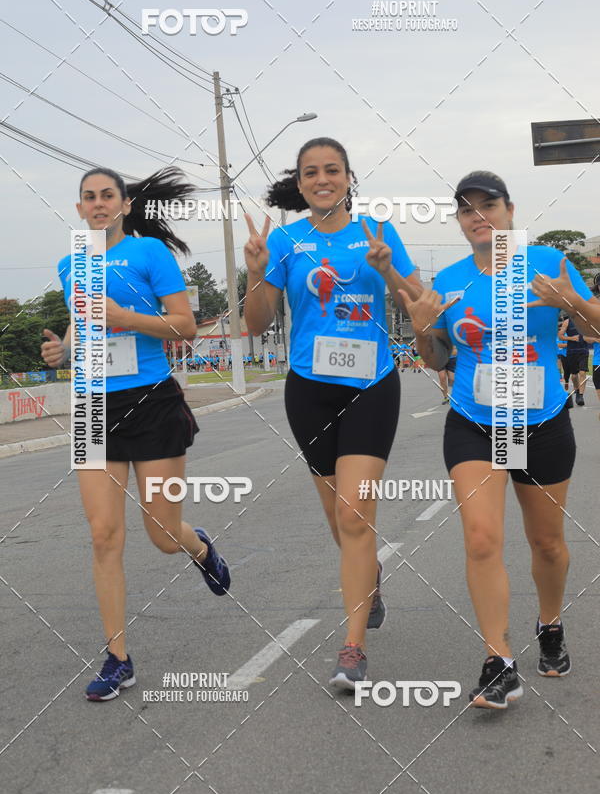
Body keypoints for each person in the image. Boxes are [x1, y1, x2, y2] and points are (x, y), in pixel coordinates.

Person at [400, 170, 599, 711]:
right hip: (474, 422)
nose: (478, 216)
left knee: (547, 544)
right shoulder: (453, 281)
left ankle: (550, 623)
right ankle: (499, 660)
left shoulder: (548, 265)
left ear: (511, 211)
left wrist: (573, 303)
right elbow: (438, 358)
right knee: (483, 538)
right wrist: (421, 329)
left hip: (540, 422)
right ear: (460, 223)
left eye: (489, 205)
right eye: (467, 210)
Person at [41, 166, 230, 702]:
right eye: (88, 198)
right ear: (78, 209)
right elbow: (85, 327)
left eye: (107, 196)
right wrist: (64, 352)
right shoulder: (69, 263)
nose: (97, 204)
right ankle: (117, 658)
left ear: (124, 205)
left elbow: (186, 325)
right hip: (90, 406)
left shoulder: (149, 253)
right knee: (104, 535)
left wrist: (126, 315)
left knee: (162, 534)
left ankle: (199, 549)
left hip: (150, 401)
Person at [243, 137, 422, 689]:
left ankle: (352, 647)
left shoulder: (378, 233)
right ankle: (370, 579)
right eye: (311, 173)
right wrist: (254, 271)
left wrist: (389, 271)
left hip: (371, 384)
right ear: (300, 185)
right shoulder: (286, 241)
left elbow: (417, 304)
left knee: (353, 514)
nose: (323, 179)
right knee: (338, 518)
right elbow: (255, 324)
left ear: (349, 177)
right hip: (309, 390)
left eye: (333, 170)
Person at [563, 316, 590, 406]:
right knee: (574, 376)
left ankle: (581, 396)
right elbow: (560, 336)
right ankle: (577, 390)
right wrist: (572, 338)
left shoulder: (585, 320)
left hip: (583, 351)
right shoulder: (567, 322)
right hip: (571, 352)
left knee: (582, 373)